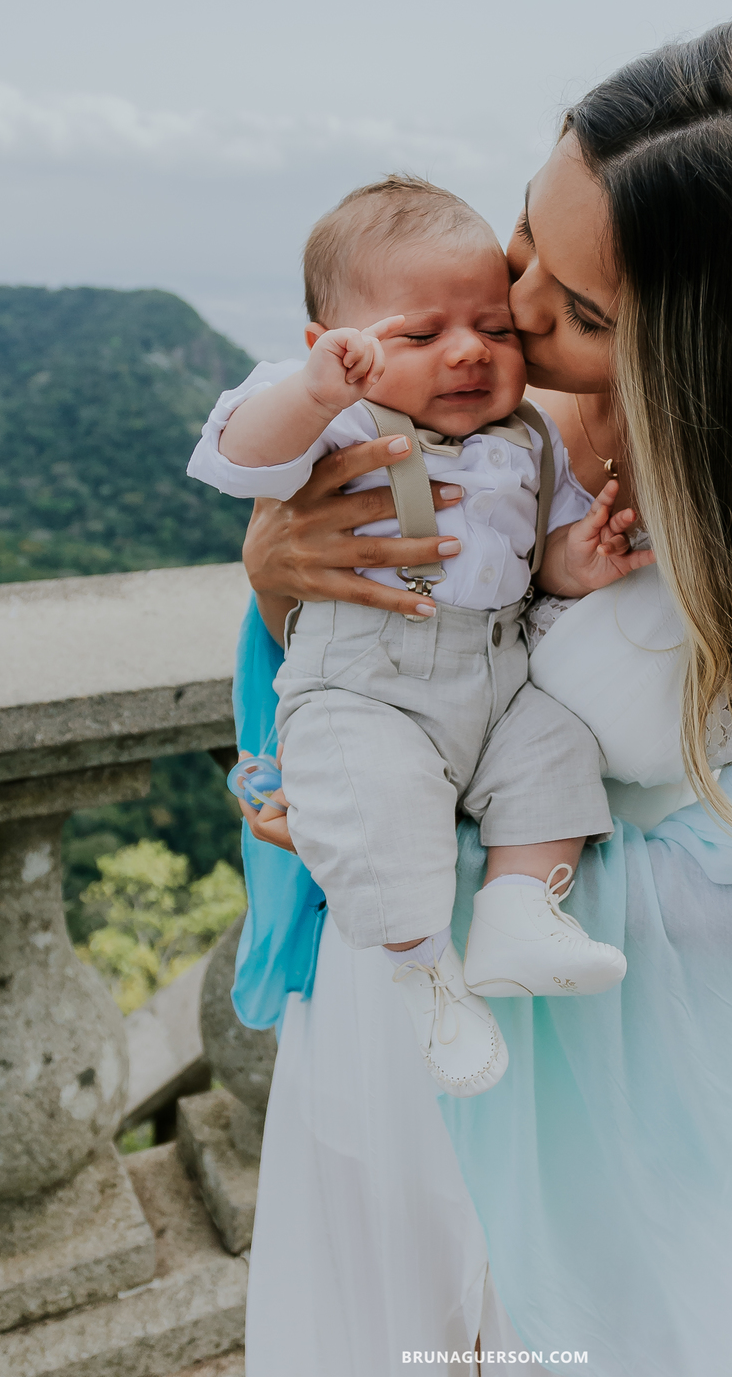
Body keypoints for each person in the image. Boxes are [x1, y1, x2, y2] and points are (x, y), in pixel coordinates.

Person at [231, 19, 732, 1377]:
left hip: (600, 1103)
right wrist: (272, 572)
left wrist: (470, 848)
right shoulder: (477, 422)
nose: (515, 314)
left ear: (707, 351)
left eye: (582, 311)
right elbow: (355, 641)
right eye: (529, 239)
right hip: (390, 1020)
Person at [187, 177, 640, 1096]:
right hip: (369, 683)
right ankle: (426, 974)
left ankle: (520, 907)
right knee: (382, 805)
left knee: (558, 753)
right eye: (423, 336)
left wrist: (577, 561)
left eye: (494, 330)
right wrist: (313, 393)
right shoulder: (342, 413)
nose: (470, 352)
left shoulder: (528, 442)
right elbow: (236, 458)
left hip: (495, 678)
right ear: (335, 345)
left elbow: (536, 558)